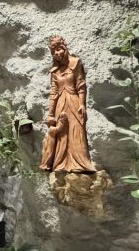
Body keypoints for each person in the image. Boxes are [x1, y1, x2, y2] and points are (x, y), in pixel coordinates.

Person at [39, 34, 96, 173]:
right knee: (62, 132)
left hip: (74, 102)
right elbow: (53, 93)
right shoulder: (54, 71)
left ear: (64, 48)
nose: (57, 53)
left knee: (77, 131)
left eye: (59, 49)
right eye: (54, 52)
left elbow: (81, 86)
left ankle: (80, 163)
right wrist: (50, 114)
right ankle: (61, 164)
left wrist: (82, 104)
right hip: (60, 105)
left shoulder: (75, 63)